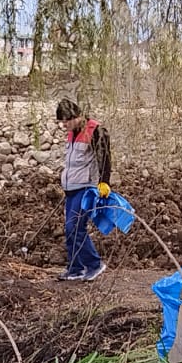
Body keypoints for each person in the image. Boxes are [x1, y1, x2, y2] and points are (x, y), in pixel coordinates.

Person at [55, 98, 111, 281]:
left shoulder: (95, 131)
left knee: (75, 227)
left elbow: (105, 159)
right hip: (71, 188)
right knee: (70, 228)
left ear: (76, 116)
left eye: (66, 121)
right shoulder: (72, 132)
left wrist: (104, 182)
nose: (64, 125)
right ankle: (75, 268)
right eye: (62, 122)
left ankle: (94, 264)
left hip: (86, 188)